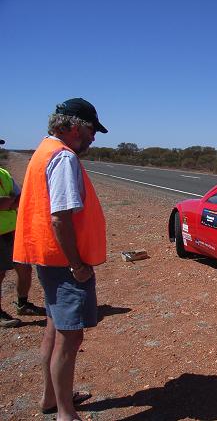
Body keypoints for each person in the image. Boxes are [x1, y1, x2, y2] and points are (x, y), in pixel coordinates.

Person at [13, 98, 108, 420]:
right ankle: (66, 413)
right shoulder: (64, 157)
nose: (94, 137)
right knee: (70, 338)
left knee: (54, 331)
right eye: (92, 129)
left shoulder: (43, 151)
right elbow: (60, 217)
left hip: (44, 257)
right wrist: (76, 264)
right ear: (73, 126)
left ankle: (50, 398)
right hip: (63, 263)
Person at [0, 164, 45, 328]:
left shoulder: (4, 173)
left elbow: (20, 197)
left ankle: (22, 304)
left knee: (25, 268)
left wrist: (9, 202)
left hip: (12, 231)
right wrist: (9, 201)